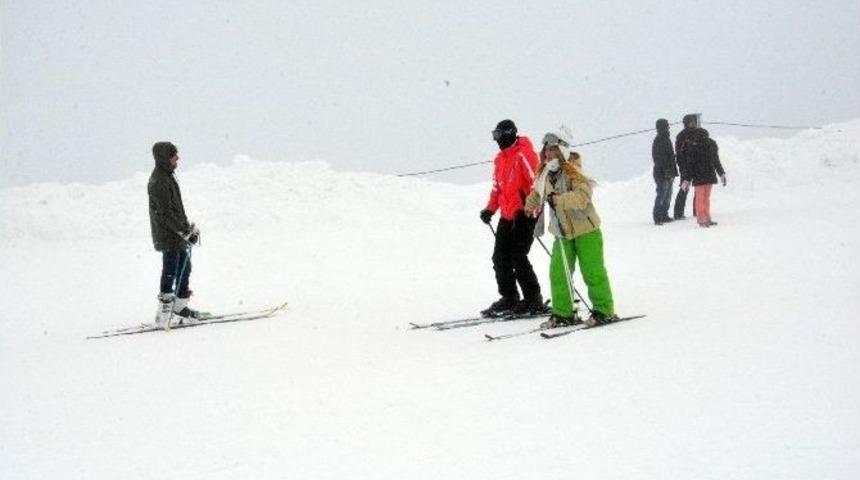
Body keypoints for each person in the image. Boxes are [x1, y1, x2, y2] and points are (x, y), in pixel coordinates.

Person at [524, 128, 617, 328]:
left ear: (563, 150)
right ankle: (563, 313)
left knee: (592, 271)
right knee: (559, 272)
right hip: (562, 232)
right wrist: (529, 204)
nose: (548, 154)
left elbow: (583, 197)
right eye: (546, 150)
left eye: (553, 150)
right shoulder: (545, 174)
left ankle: (604, 309)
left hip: (587, 231)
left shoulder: (575, 171)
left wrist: (559, 200)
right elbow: (537, 194)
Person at [479, 119, 545, 316]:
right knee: (499, 258)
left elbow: (538, 185)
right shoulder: (500, 159)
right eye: (494, 135)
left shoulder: (524, 154)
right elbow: (497, 189)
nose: (496, 139)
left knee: (518, 256)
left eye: (498, 135)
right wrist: (490, 209)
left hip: (525, 214)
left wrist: (529, 212)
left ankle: (533, 298)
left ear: (508, 133)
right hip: (508, 216)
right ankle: (509, 297)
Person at [148, 141, 202, 328]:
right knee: (171, 271)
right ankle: (164, 315)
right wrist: (184, 232)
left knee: (184, 269)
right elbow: (166, 214)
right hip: (168, 235)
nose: (177, 158)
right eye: (174, 155)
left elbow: (175, 210)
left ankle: (179, 308)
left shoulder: (167, 177)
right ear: (165, 157)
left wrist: (187, 228)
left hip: (176, 234)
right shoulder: (159, 181)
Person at [685, 130, 726, 227]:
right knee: (706, 199)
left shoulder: (694, 146)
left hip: (699, 177)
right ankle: (706, 218)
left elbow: (690, 165)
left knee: (700, 199)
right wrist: (721, 174)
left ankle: (703, 219)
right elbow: (716, 161)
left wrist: (687, 179)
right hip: (709, 175)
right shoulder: (711, 144)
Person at [651, 118, 677, 225]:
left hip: (668, 172)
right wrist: (666, 171)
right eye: (667, 125)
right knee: (661, 194)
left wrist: (672, 171)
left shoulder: (666, 139)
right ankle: (658, 217)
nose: (668, 127)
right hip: (661, 173)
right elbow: (659, 159)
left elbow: (670, 157)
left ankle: (664, 215)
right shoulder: (659, 140)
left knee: (668, 195)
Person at [673, 113, 699, 220]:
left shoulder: (698, 134)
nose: (693, 124)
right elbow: (679, 153)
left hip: (697, 165)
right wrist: (682, 167)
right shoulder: (681, 136)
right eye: (691, 122)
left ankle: (697, 211)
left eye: (694, 122)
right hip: (685, 167)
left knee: (699, 189)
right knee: (684, 188)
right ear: (686, 123)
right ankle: (678, 213)